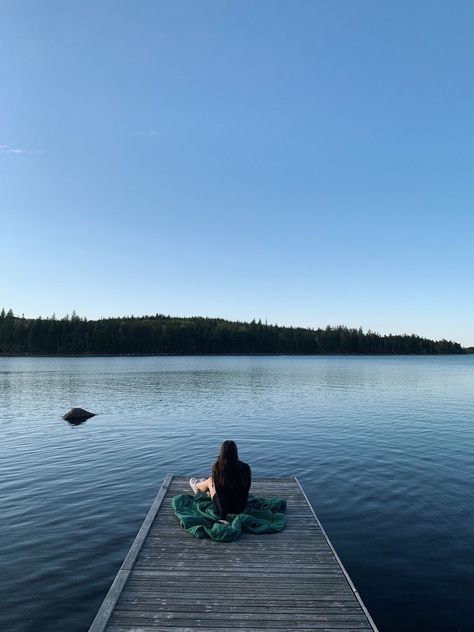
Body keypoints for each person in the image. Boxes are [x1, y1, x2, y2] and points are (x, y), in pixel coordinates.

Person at [190, 440, 251, 522]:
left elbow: (220, 494)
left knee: (210, 480)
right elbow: (247, 489)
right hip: (240, 507)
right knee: (212, 481)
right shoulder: (245, 467)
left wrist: (223, 517)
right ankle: (203, 486)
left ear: (222, 453)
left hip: (224, 508)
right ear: (236, 452)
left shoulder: (218, 468)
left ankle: (196, 486)